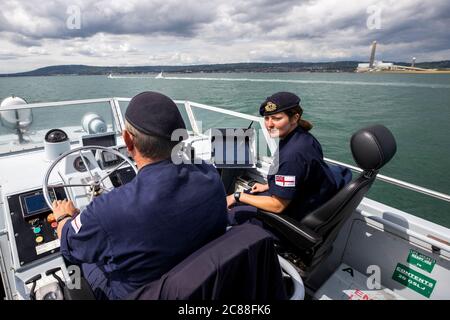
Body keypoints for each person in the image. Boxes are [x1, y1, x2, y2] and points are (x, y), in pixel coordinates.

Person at [52, 91, 228, 300]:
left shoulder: (108, 210)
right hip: (202, 286)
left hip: (137, 294)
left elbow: (70, 243)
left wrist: (64, 217)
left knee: (78, 258)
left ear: (127, 140)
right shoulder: (209, 174)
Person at [227, 91, 351, 223]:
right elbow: (301, 177)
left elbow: (277, 206)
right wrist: (268, 186)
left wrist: (237, 196)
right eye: (267, 118)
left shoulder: (292, 155)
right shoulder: (305, 137)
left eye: (276, 118)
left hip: (293, 214)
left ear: (294, 118)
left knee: (231, 214)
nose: (269, 125)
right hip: (306, 200)